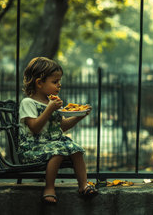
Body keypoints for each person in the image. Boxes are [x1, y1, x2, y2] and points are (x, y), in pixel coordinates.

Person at [18, 57, 98, 204]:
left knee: (76, 150)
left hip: (52, 143)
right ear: (39, 83)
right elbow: (35, 128)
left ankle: (83, 186)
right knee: (58, 151)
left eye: (59, 81)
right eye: (55, 82)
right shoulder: (28, 103)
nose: (59, 85)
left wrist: (80, 115)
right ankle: (49, 188)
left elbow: (61, 127)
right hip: (33, 148)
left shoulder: (52, 102)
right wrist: (50, 108)